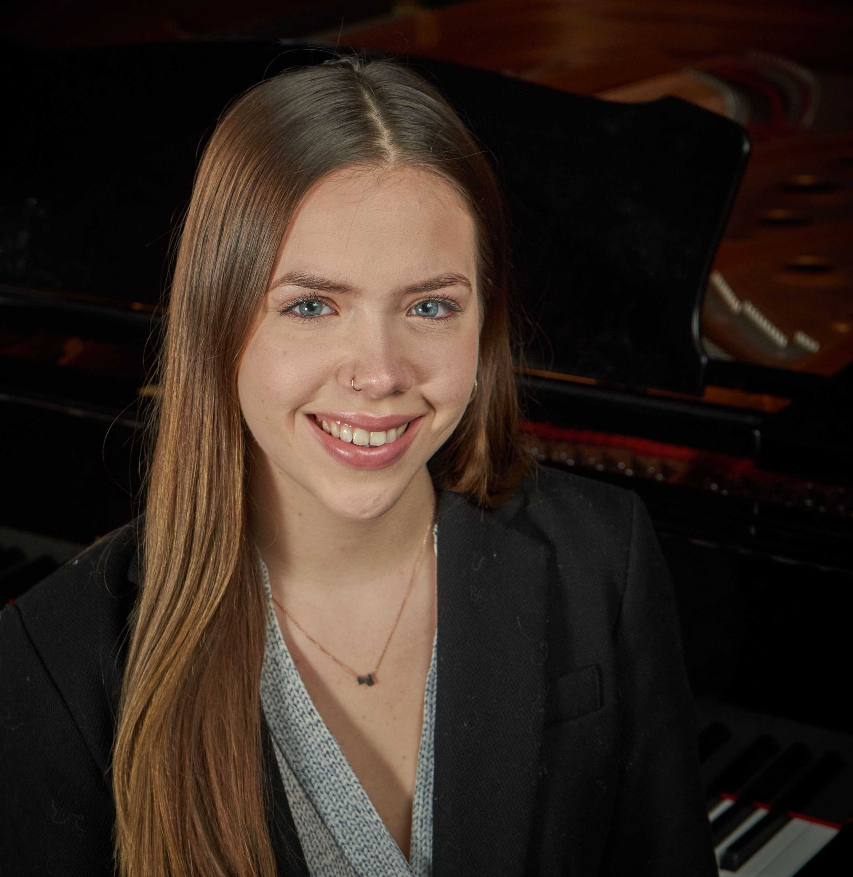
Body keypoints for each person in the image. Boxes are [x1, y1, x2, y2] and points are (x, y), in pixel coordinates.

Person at [0, 54, 717, 876]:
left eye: (429, 306)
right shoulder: (52, 657)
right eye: (311, 305)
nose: (379, 372)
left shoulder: (602, 552)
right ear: (218, 321)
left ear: (483, 323)